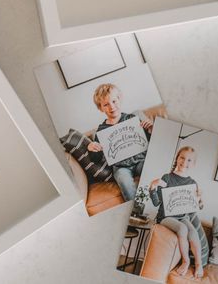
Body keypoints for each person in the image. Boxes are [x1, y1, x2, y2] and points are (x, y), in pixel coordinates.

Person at [150, 146, 208, 278]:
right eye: (182, 157)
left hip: (182, 217)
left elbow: (199, 207)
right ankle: (186, 260)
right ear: (177, 158)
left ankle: (199, 264)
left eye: (189, 160)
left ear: (193, 164)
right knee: (182, 229)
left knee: (193, 232)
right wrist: (152, 187)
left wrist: (200, 198)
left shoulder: (192, 183)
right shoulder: (167, 178)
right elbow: (156, 202)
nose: (184, 162)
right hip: (165, 217)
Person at [87, 83, 153, 201]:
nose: (111, 107)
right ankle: (138, 212)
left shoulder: (132, 118)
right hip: (121, 167)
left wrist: (149, 130)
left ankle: (155, 202)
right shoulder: (101, 131)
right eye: (106, 104)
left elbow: (147, 141)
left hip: (140, 159)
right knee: (124, 181)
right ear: (100, 108)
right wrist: (92, 148)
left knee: (150, 171)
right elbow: (96, 158)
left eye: (114, 101)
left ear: (119, 99)